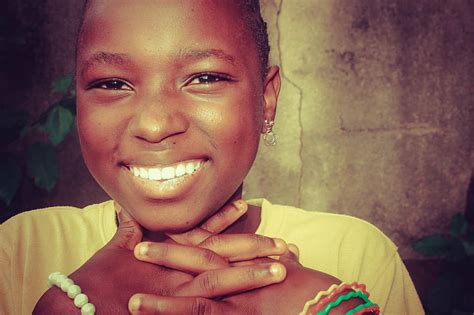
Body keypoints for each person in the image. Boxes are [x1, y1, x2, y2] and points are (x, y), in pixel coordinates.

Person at [0, 1, 424, 314]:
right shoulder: (20, 251)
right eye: (113, 83)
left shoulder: (353, 253)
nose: (153, 124)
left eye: (204, 78)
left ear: (266, 98)